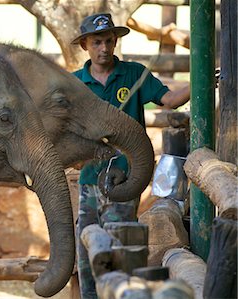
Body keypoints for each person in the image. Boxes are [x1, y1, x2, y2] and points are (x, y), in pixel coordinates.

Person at [70, 13, 190, 299]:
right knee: (86, 246)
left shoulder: (134, 74)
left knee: (118, 245)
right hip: (88, 180)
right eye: (97, 42)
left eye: (109, 41)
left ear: (115, 41)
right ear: (85, 44)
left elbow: (170, 100)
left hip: (127, 179)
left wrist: (206, 79)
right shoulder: (74, 83)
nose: (104, 48)